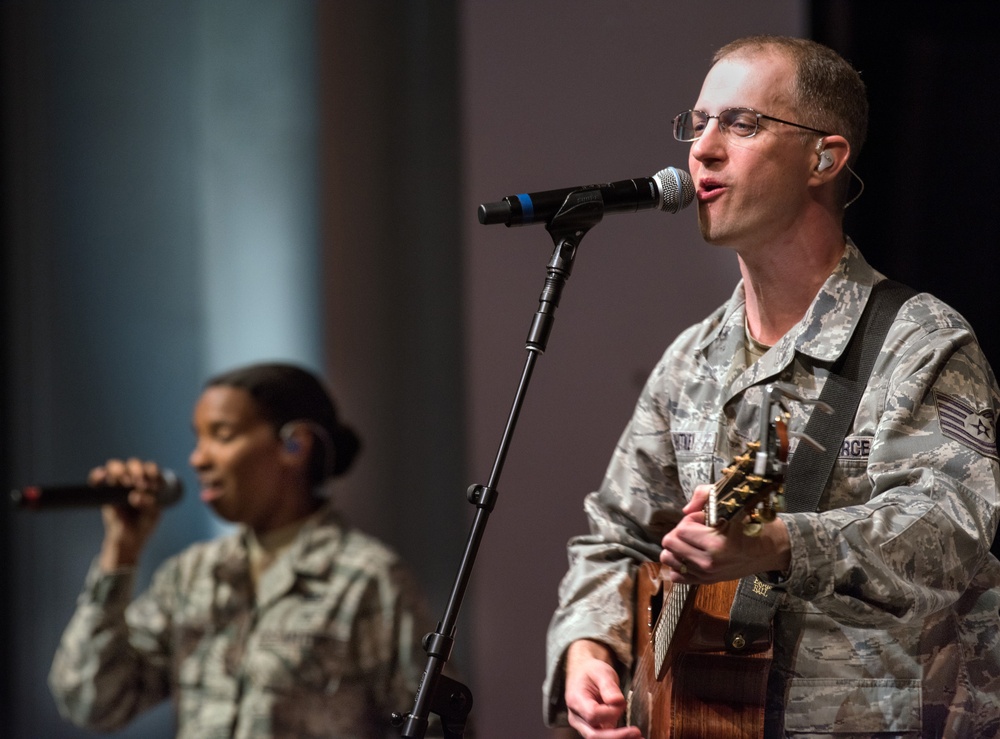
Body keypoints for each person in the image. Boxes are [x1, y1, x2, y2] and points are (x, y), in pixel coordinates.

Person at [543, 35, 1000, 738]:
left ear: (825, 157)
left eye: (742, 123)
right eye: (697, 124)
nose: (704, 148)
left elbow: (950, 528)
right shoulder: (691, 361)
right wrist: (588, 652)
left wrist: (782, 542)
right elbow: (616, 538)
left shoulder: (919, 341)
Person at [49, 362, 437, 738]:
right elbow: (90, 702)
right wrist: (121, 550)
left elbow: (432, 728)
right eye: (198, 438)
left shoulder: (367, 579)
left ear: (294, 445)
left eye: (222, 434)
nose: (198, 458)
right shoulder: (192, 575)